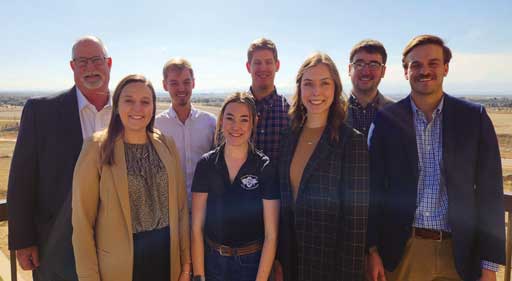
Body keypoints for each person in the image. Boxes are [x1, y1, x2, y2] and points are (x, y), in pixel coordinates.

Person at [366, 35, 505, 281]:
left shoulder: (474, 118)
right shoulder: (386, 120)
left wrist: (489, 264)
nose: (424, 71)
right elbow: (373, 189)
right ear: (406, 72)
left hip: (461, 253)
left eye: (433, 63)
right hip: (403, 251)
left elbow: (489, 192)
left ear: (446, 68)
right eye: (416, 65)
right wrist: (372, 250)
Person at [7, 35, 112, 281]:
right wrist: (24, 241)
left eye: (96, 60)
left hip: (116, 243)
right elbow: (22, 179)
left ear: (108, 64)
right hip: (57, 244)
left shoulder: (127, 111)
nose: (90, 68)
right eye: (82, 62)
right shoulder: (41, 112)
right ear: (72, 67)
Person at [72, 74, 191, 281]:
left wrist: (185, 264)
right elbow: (82, 223)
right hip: (120, 267)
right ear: (117, 105)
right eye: (129, 101)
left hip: (166, 259)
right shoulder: (96, 147)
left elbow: (181, 211)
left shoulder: (166, 145)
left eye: (145, 102)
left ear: (153, 107)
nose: (138, 108)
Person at [276, 52, 369, 281]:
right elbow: (283, 204)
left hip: (329, 266)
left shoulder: (351, 141)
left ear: (336, 88)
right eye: (308, 84)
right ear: (299, 89)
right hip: (290, 262)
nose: (316, 92)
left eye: (324, 83)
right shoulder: (288, 136)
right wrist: (278, 259)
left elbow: (356, 222)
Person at [191, 92, 280, 281]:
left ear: (254, 123)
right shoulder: (206, 165)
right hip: (213, 262)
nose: (236, 126)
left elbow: (271, 235)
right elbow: (196, 227)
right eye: (230, 118)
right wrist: (199, 276)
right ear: (221, 120)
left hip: (252, 265)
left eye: (244, 119)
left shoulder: (264, 167)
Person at [155, 58, 216, 207]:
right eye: (174, 83)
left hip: (206, 209)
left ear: (193, 83)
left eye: (186, 82)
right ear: (164, 85)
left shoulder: (210, 122)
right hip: (171, 211)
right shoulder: (156, 126)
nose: (181, 88)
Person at [246, 38, 290, 160]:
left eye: (268, 62)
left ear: (277, 65)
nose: (263, 68)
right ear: (248, 67)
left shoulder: (289, 112)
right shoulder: (235, 110)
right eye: (257, 62)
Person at [346, 39, 394, 136]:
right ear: (349, 69)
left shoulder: (396, 113)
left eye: (374, 65)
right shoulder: (332, 110)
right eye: (359, 64)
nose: (366, 72)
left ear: (383, 71)